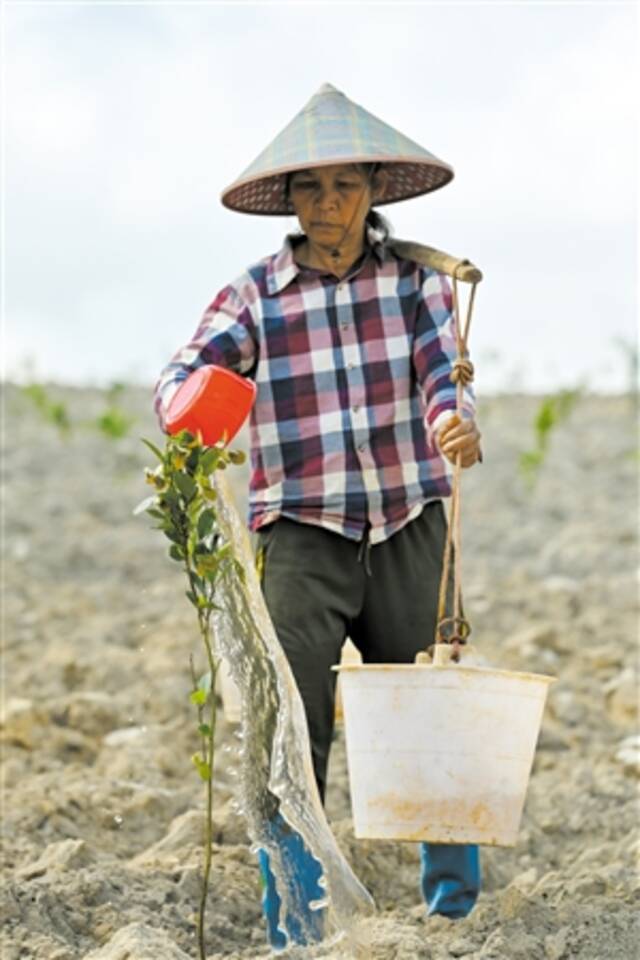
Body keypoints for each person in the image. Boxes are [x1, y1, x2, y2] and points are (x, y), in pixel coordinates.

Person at [154, 83, 483, 950]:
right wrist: (186, 412)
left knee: (428, 714)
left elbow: (444, 377)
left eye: (344, 186)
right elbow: (184, 374)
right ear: (289, 205)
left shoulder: (416, 284)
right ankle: (295, 923)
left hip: (409, 519)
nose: (328, 205)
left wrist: (453, 421)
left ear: (373, 189)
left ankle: (453, 912)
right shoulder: (256, 295)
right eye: (310, 190)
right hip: (299, 531)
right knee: (289, 732)